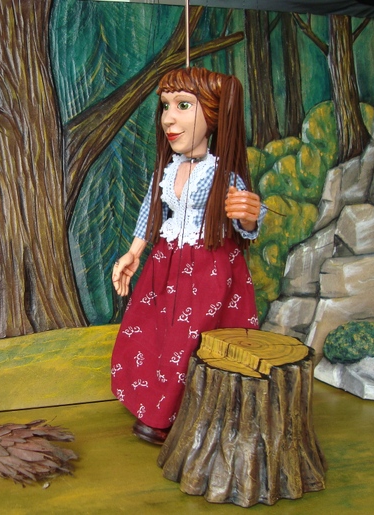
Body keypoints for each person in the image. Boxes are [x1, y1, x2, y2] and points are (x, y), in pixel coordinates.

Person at [110, 67, 266, 445]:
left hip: (209, 269)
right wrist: (134, 252)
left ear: (213, 115)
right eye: (166, 106)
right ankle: (152, 404)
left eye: (183, 105)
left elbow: (246, 219)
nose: (169, 118)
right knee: (154, 332)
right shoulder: (169, 169)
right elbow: (151, 211)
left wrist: (248, 214)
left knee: (189, 340)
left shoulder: (221, 173)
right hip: (166, 264)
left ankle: (180, 415)